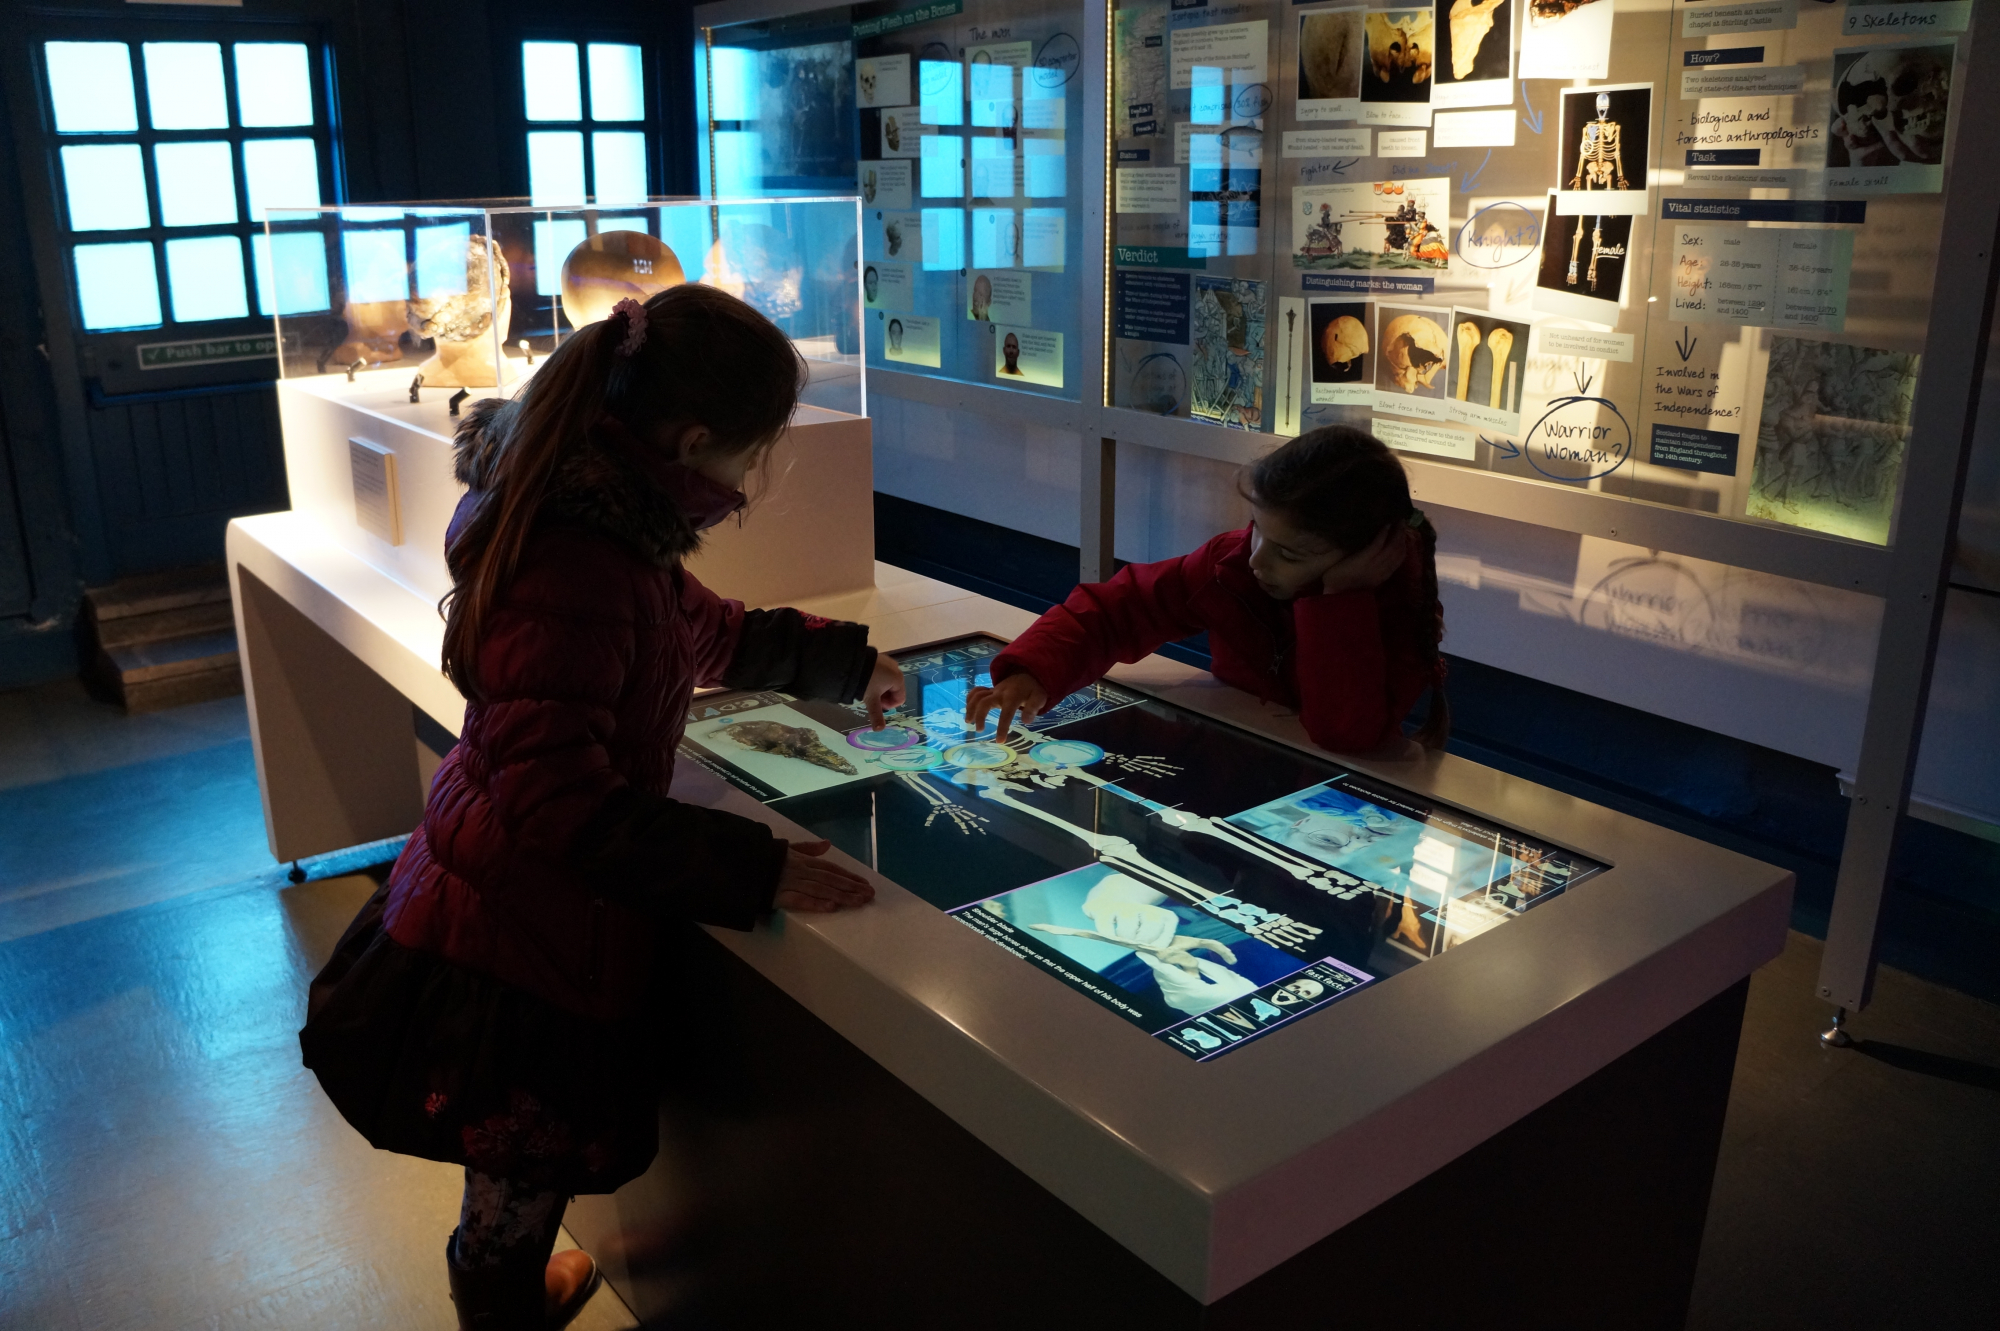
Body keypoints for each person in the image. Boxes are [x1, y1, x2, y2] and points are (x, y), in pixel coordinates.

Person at [300, 287, 904, 1330]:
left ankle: (506, 1285)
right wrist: (748, 867)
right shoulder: (575, 556)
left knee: (512, 1154)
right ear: (694, 439)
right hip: (516, 929)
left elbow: (692, 628)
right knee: (517, 1163)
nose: (747, 484)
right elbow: (559, 806)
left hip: (503, 888)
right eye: (750, 458)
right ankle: (501, 1306)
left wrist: (840, 657)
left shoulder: (590, 514)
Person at [968, 425, 1447, 756]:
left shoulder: (1396, 602)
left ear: (1365, 557)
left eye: (1290, 554)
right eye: (1257, 529)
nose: (1258, 557)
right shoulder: (1234, 561)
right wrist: (1035, 671)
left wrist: (1340, 603)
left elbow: (1346, 734)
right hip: (1233, 757)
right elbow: (1122, 607)